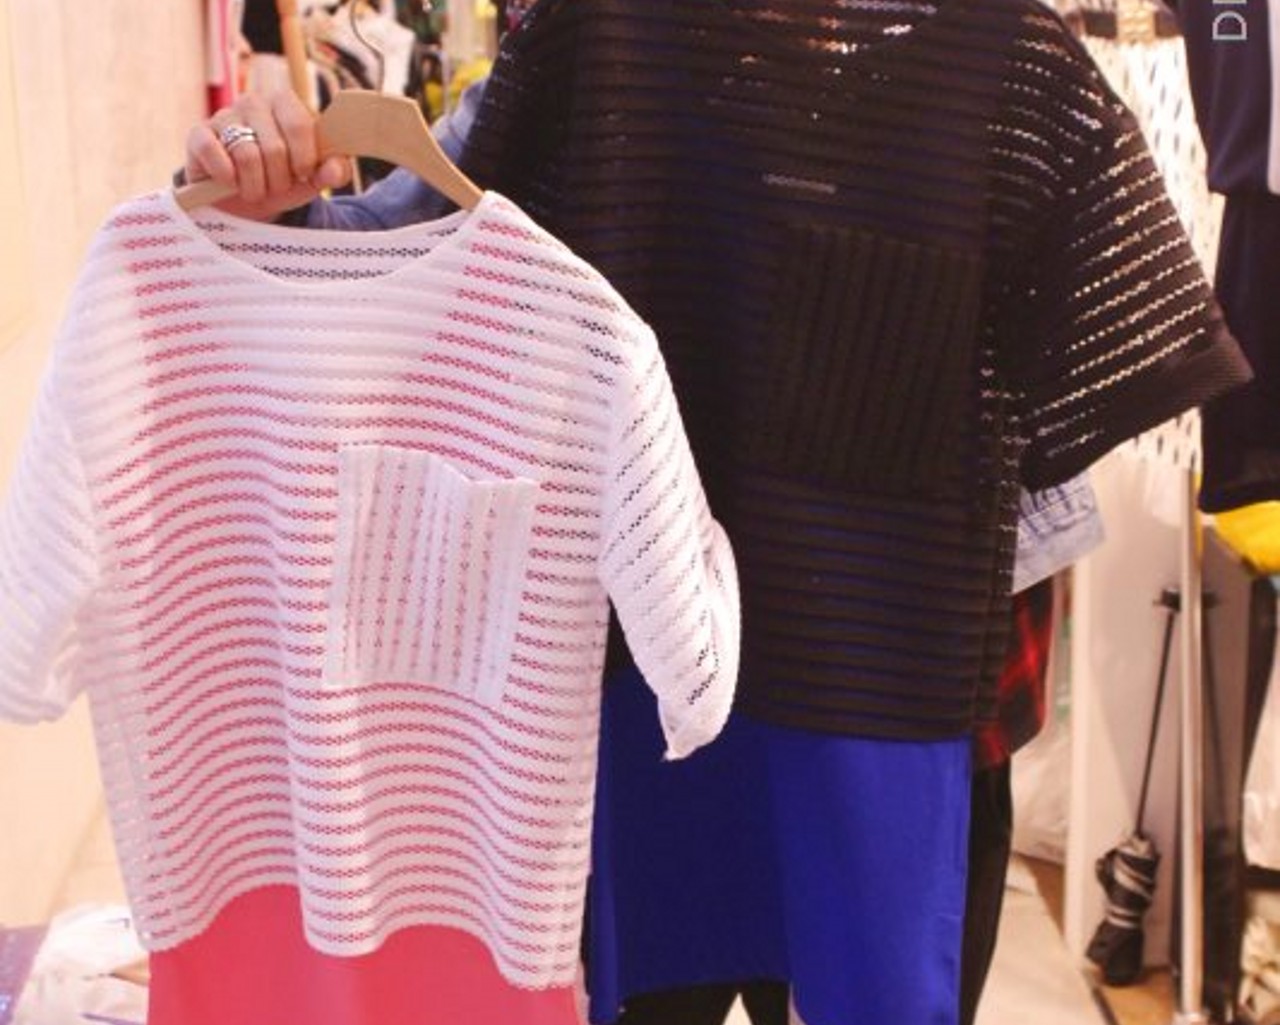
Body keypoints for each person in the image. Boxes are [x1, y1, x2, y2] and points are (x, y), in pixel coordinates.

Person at [179, 5, 1250, 1021]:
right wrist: (262, 196)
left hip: (896, 701)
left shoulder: (1009, 73)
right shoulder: (592, 43)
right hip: (626, 706)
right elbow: (377, 264)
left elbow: (1088, 368)